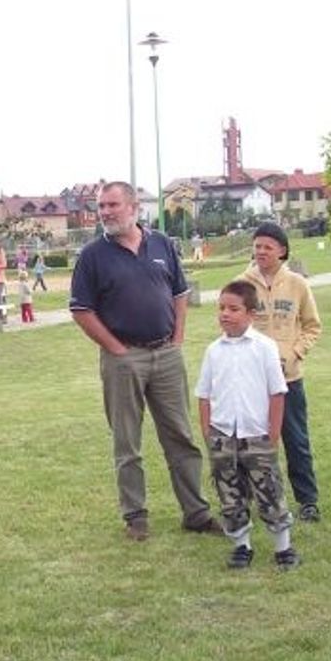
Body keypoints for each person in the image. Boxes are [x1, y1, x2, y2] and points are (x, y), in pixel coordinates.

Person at [69, 181, 221, 541]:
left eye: (112, 205)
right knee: (127, 441)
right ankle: (135, 517)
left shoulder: (162, 244)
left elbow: (179, 294)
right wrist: (116, 348)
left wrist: (178, 339)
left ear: (134, 207)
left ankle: (196, 513)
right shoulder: (93, 256)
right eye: (101, 206)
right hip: (123, 359)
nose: (105, 212)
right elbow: (81, 310)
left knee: (181, 436)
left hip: (166, 356)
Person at [196, 281, 298, 570]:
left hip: (257, 435)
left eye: (233, 309)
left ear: (251, 314)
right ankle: (241, 545)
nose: (225, 314)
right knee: (229, 493)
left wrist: (273, 434)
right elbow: (203, 395)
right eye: (221, 308)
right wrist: (208, 431)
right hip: (223, 436)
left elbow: (277, 393)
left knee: (269, 491)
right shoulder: (214, 351)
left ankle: (283, 548)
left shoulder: (264, 348)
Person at [238, 223, 323, 522]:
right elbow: (233, 324)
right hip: (252, 380)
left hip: (288, 379)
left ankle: (308, 500)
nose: (260, 251)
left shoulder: (298, 284)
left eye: (267, 247)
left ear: (282, 251)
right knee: (251, 441)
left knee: (296, 439)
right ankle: (247, 499)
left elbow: (312, 326)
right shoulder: (242, 283)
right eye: (257, 246)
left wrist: (295, 352)